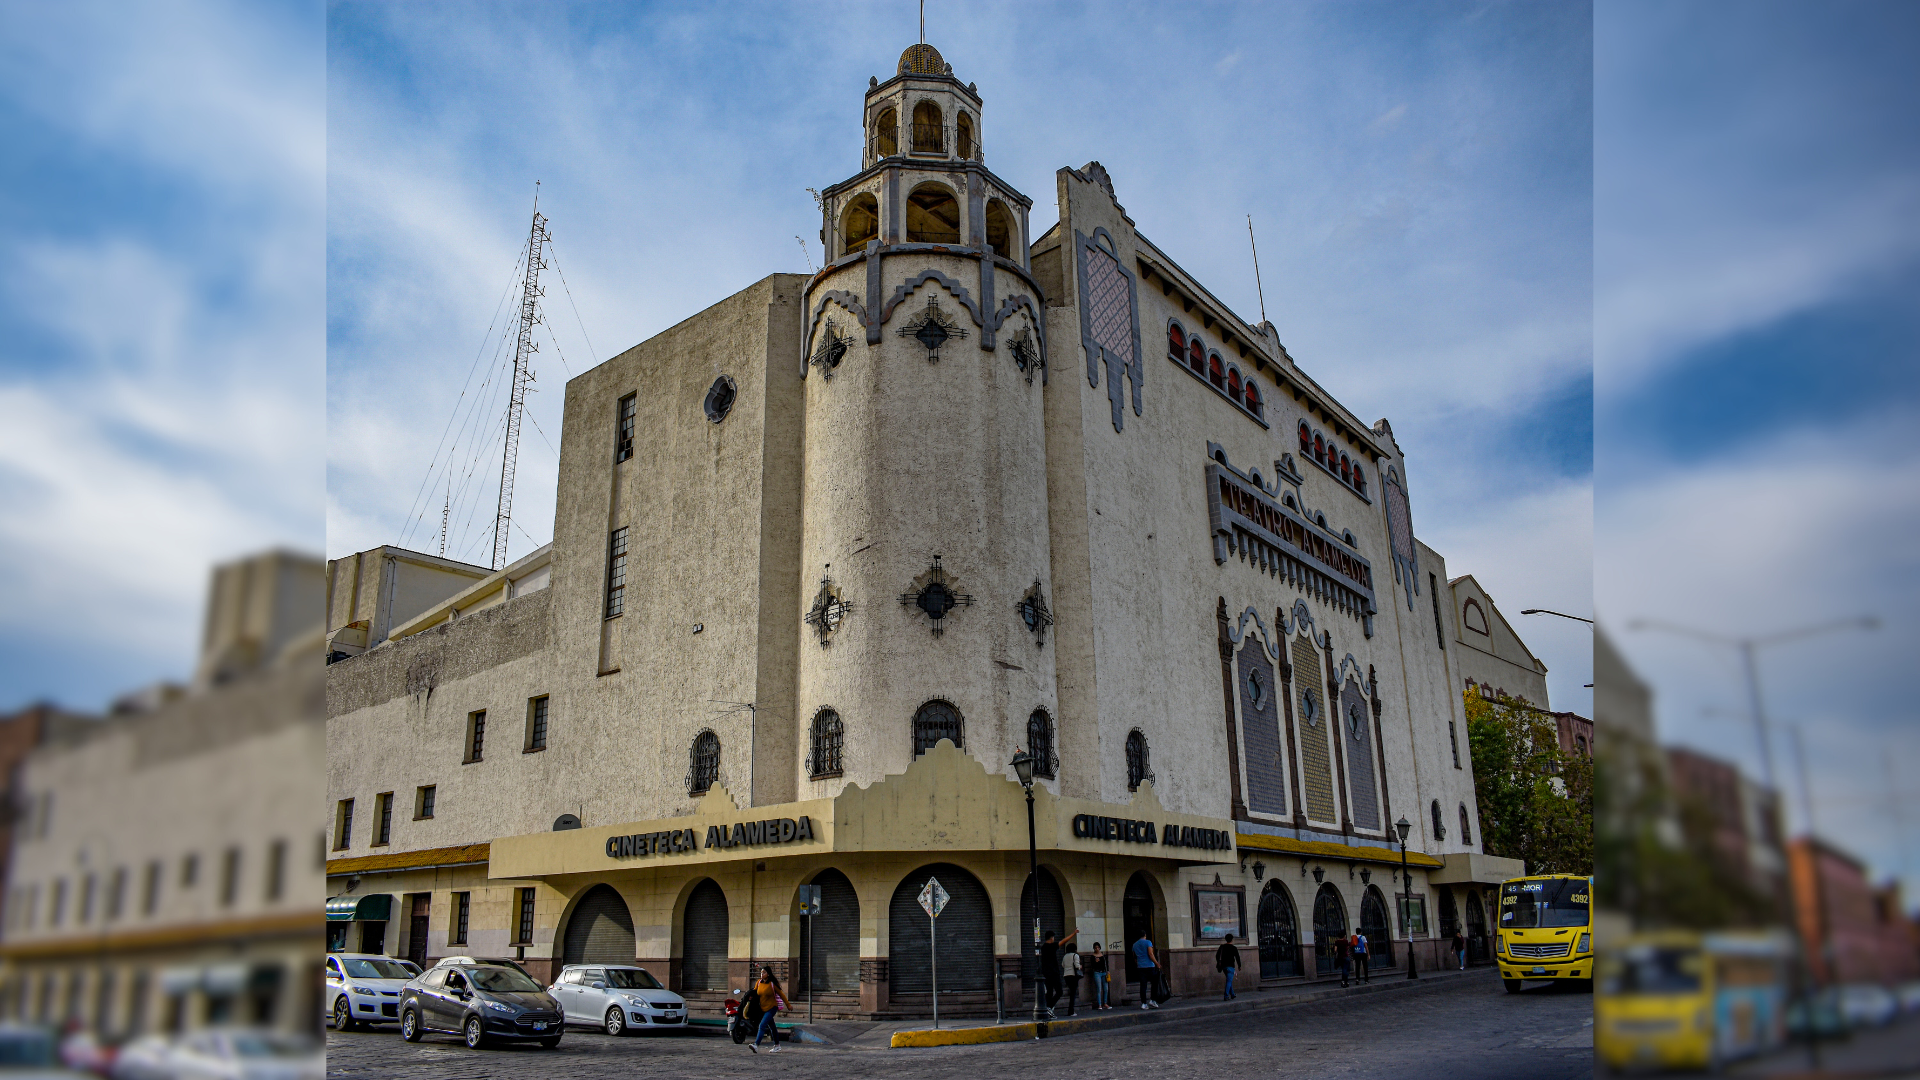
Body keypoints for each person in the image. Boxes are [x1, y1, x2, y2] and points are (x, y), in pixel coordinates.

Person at [1038, 928, 1078, 1019]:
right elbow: (1063, 941)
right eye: (1053, 937)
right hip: (1054, 973)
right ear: (1051, 938)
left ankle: (1048, 1012)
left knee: (1049, 993)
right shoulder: (1052, 946)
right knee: (1059, 991)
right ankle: (1048, 1008)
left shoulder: (1043, 947)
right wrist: (1073, 933)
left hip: (1046, 974)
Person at [747, 966, 786, 1053]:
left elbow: (781, 994)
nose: (762, 974)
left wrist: (788, 1005)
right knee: (772, 1027)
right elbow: (755, 992)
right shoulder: (759, 982)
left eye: (764, 972)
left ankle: (756, 1045)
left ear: (768, 974)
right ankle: (777, 1045)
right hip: (763, 1008)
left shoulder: (772, 983)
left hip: (772, 1007)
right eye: (761, 972)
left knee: (762, 1025)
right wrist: (750, 997)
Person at [1132, 934, 1160, 1009]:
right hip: (1150, 966)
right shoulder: (1148, 942)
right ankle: (1153, 1000)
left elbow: (1134, 957)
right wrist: (1156, 963)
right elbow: (1150, 954)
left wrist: (1139, 964)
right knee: (1154, 983)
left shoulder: (1134, 945)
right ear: (1145, 935)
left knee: (1143, 985)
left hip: (1141, 967)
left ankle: (1144, 1003)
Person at [1061, 944, 1083, 1016]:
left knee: (1071, 992)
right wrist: (1080, 966)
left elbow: (1063, 965)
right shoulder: (1075, 955)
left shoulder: (1065, 956)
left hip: (1066, 976)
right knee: (1073, 994)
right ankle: (1071, 1011)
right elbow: (1077, 965)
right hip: (1073, 976)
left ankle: (1071, 1011)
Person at [1089, 942, 1110, 1010]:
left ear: (1100, 948)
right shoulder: (1093, 957)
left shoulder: (1103, 955)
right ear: (1094, 949)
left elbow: (1105, 964)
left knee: (1106, 988)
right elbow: (1092, 966)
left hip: (1104, 972)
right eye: (1095, 948)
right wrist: (1096, 962)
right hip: (1097, 973)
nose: (1097, 949)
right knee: (1099, 988)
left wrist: (1107, 971)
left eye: (1098, 947)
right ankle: (1099, 1004)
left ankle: (1105, 1003)